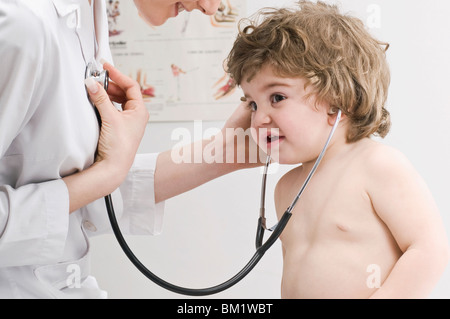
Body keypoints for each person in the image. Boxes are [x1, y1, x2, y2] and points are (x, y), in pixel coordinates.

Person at [0, 0, 256, 298]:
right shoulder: (21, 24)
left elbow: (67, 200)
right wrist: (108, 172)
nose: (210, 8)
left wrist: (226, 152)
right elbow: (80, 190)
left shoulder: (90, 13)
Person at [225, 0, 449, 298]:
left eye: (276, 97)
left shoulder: (377, 165)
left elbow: (429, 248)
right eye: (253, 103)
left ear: (337, 100)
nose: (259, 117)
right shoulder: (286, 187)